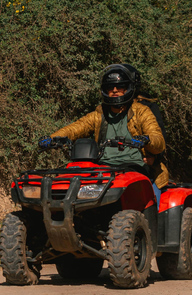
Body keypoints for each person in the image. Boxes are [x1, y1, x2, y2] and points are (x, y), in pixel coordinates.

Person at [39, 64, 169, 204]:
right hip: (103, 168)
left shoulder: (141, 111)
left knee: (150, 204)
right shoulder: (100, 113)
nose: (114, 91)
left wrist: (146, 140)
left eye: (120, 87)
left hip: (135, 168)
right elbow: (75, 128)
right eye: (110, 87)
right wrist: (52, 139)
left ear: (128, 88)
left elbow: (158, 139)